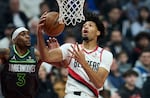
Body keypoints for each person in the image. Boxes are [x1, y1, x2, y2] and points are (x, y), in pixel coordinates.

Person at [37, 12, 113, 98]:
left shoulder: (105, 54)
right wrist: (39, 33)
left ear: (98, 32)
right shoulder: (70, 48)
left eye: (90, 25)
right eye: (84, 26)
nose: (86, 27)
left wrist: (83, 63)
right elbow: (45, 57)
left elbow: (99, 83)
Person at [0, 27, 41, 98]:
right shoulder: (6, 52)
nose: (28, 36)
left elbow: (51, 59)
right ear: (14, 40)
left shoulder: (35, 54)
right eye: (23, 34)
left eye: (28, 34)